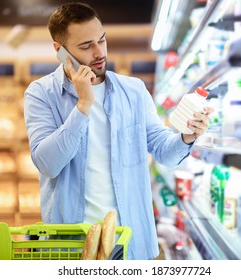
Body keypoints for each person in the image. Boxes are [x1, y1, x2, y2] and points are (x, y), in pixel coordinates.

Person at [23, 2, 213, 260]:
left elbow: (164, 152)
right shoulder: (41, 94)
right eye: (86, 46)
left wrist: (186, 137)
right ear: (60, 51)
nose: (99, 52)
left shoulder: (133, 91)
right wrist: (83, 106)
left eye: (102, 40)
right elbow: (48, 164)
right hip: (72, 245)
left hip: (130, 242)